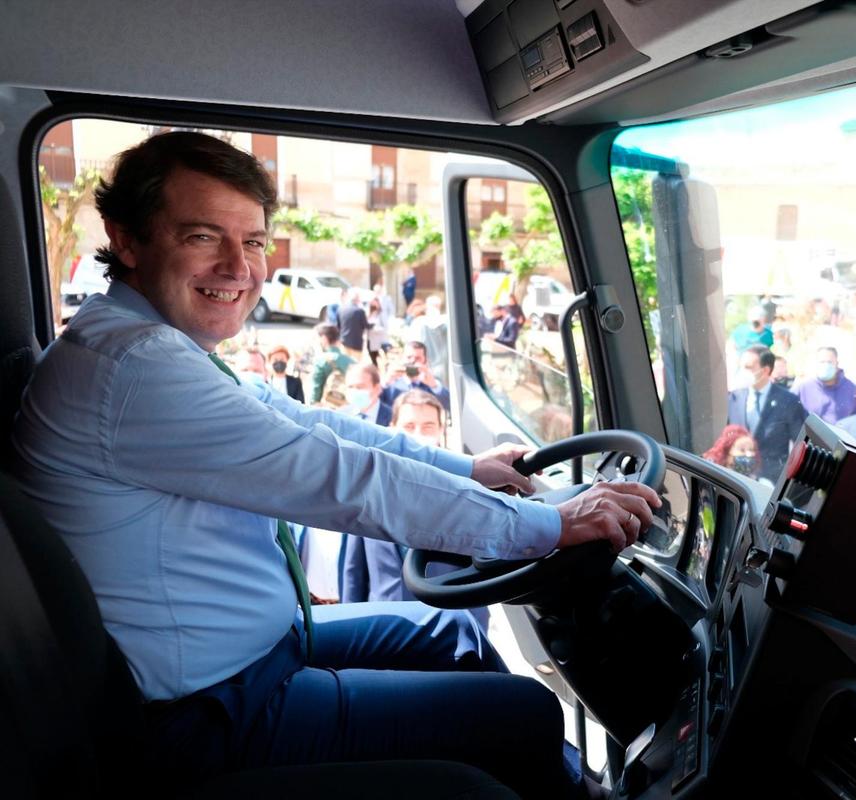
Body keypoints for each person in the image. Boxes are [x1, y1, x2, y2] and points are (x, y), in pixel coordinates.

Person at [10, 131, 660, 798]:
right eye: (203, 236)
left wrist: (466, 470)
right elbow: (342, 481)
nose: (240, 266)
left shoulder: (147, 342)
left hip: (244, 657)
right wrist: (551, 524)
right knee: (525, 713)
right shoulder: (135, 369)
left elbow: (308, 424)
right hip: (200, 716)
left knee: (449, 636)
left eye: (255, 241)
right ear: (127, 239)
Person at [343, 391, 490, 626]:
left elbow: (482, 573)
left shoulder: (469, 492)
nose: (418, 435)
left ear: (442, 431)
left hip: (450, 627)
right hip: (383, 627)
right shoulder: (368, 490)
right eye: (409, 426)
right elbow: (354, 571)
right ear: (392, 429)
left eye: (428, 426)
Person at [727, 345, 807, 482]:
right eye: (741, 367)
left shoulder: (788, 401)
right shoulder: (733, 398)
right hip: (737, 479)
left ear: (765, 370)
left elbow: (802, 443)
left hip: (771, 481)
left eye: (748, 367)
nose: (742, 372)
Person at [792, 346, 856, 425]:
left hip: (842, 435)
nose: (826, 365)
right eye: (822, 362)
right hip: (812, 436)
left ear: (837, 363)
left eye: (829, 362)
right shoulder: (803, 388)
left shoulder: (850, 388)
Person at [383, 340, 451, 410]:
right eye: (409, 357)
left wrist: (434, 386)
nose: (412, 361)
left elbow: (451, 405)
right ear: (402, 359)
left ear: (425, 361)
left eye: (418, 358)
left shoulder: (432, 385)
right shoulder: (393, 384)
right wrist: (385, 383)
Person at [310, 322, 354, 403]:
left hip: (326, 407)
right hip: (345, 406)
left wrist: (313, 404)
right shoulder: (350, 361)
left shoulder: (320, 360)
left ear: (324, 338)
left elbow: (316, 388)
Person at [338, 289, 369, 362]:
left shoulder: (341, 309)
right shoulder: (360, 311)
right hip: (356, 342)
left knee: (345, 364)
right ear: (358, 299)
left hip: (344, 341)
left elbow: (338, 326)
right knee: (356, 365)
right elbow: (365, 325)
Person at [365, 297, 389, 366]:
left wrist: (375, 328)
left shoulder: (381, 314)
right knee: (373, 357)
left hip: (380, 339)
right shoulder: (369, 313)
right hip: (370, 339)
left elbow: (385, 327)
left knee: (382, 358)